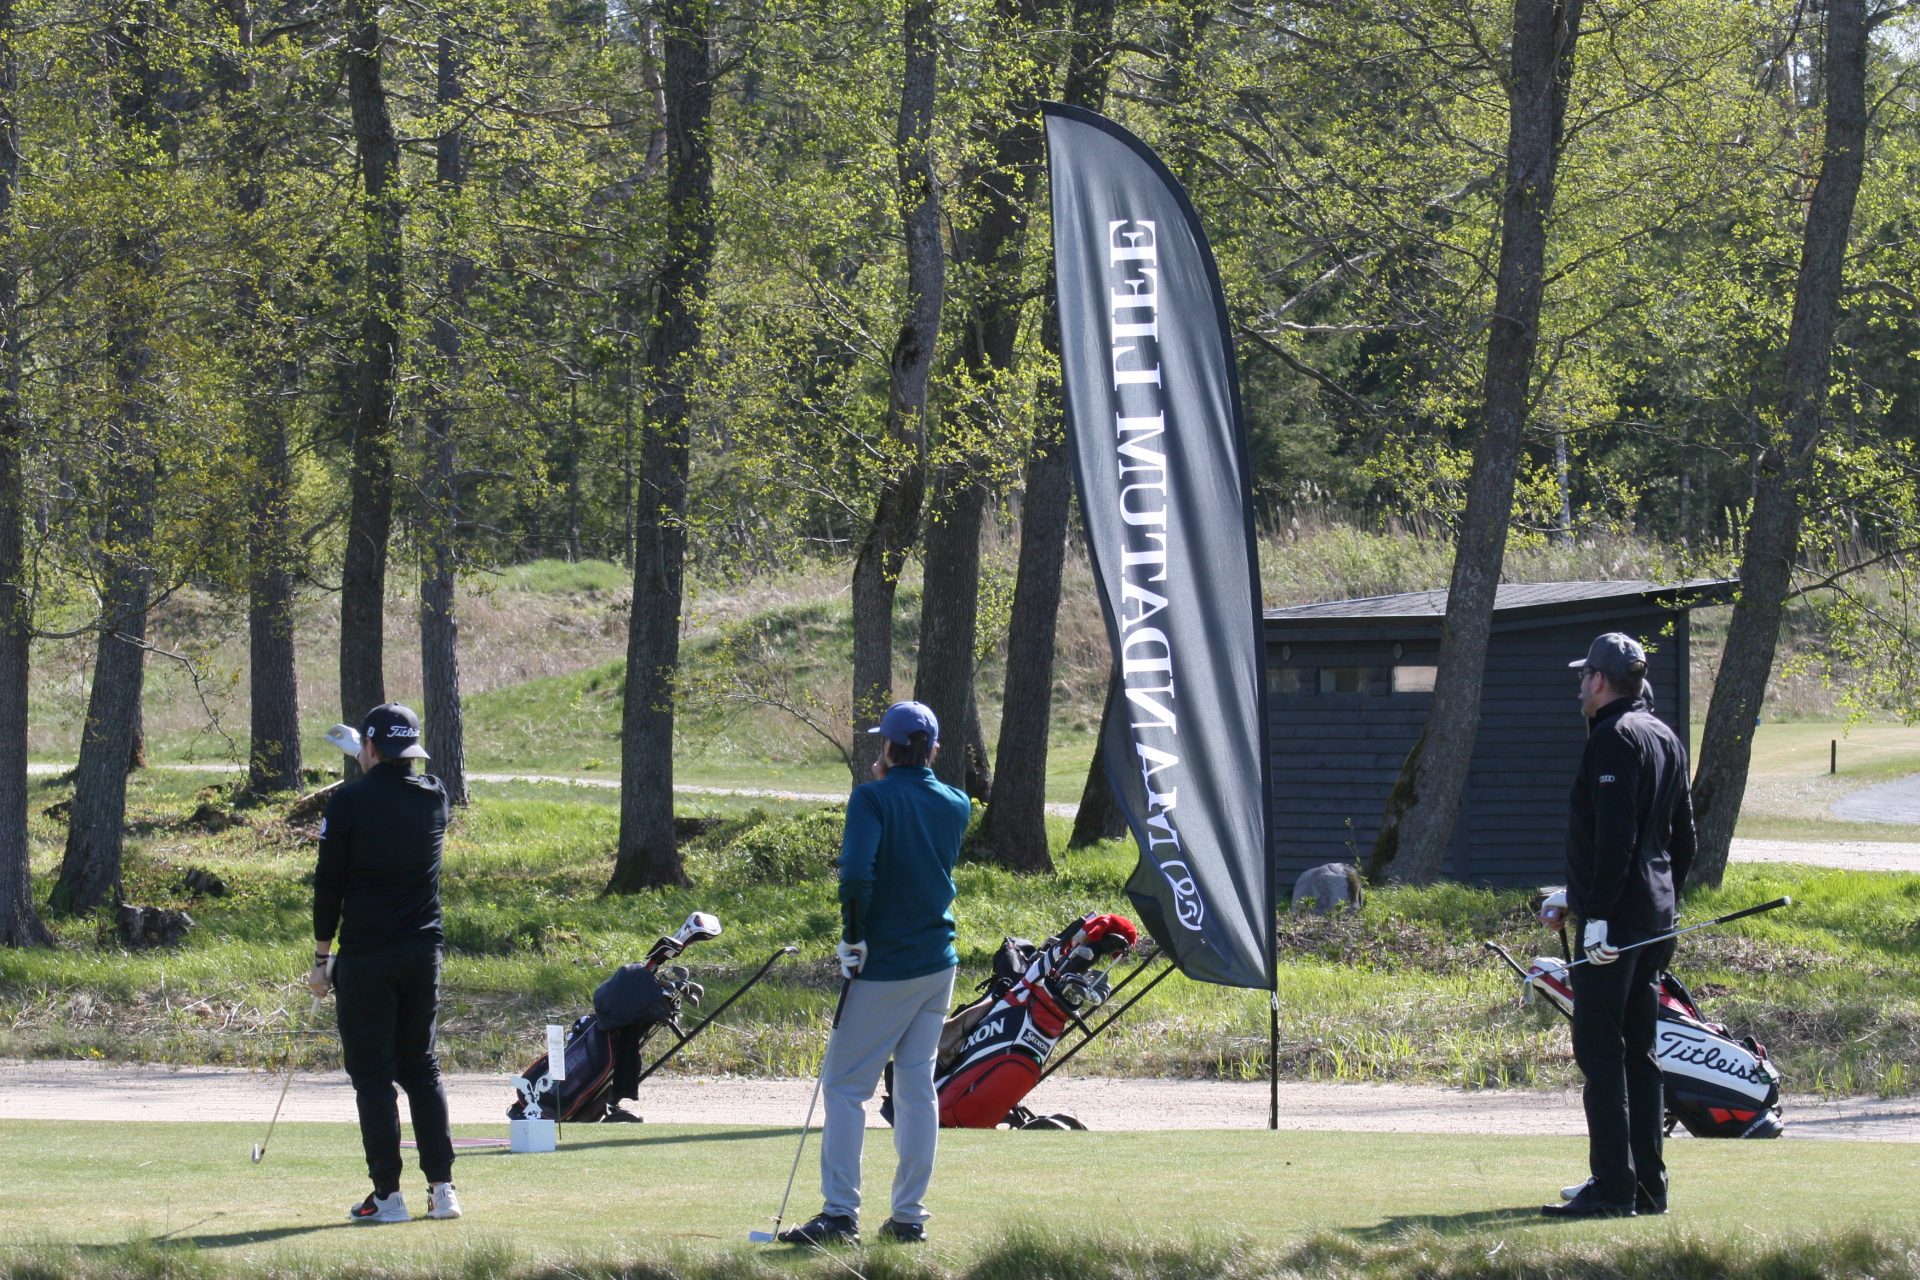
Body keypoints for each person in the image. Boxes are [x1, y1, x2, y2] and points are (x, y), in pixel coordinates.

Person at [778, 700, 970, 1246]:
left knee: (844, 1086)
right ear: (932, 749)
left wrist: (853, 936)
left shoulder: (871, 797)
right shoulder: (957, 802)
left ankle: (840, 1215)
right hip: (938, 962)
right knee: (915, 1087)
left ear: (887, 747)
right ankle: (909, 1217)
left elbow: (858, 875)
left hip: (886, 963)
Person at [1540, 633, 1696, 1219]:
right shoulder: (1664, 735)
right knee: (1640, 1054)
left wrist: (1599, 916)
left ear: (1600, 680)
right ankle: (1647, 1187)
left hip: (1616, 926)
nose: (1579, 686)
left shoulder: (1613, 737)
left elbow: (1616, 839)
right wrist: (1583, 897)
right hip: (1653, 920)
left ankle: (1611, 1188)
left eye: (1584, 677)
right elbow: (1683, 842)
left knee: (1602, 1054)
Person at [310, 703, 461, 1224]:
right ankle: (443, 1190)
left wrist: (321, 958)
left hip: (368, 957)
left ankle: (388, 1197)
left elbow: (329, 883)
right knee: (420, 1068)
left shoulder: (348, 801)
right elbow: (401, 782)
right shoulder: (435, 796)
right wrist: (374, 752)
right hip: (422, 954)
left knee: (373, 1076)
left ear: (370, 748)